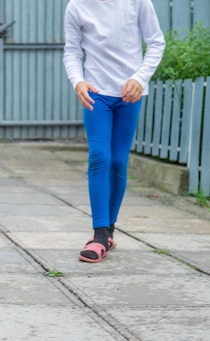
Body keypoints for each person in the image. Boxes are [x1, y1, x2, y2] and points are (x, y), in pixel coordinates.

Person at [63, 0, 165, 263]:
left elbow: (156, 42)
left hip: (129, 94)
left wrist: (140, 78)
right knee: (99, 157)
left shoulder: (138, 2)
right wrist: (78, 81)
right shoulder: (76, 6)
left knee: (118, 162)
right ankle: (98, 235)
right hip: (96, 94)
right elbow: (72, 52)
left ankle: (108, 230)